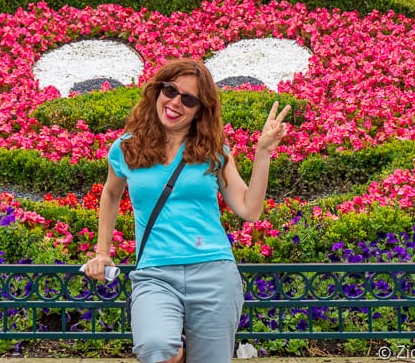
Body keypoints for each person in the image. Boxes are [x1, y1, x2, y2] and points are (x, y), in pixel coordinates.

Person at [84, 58, 291, 363]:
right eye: (170, 90)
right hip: (155, 273)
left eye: (189, 99)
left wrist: (263, 153)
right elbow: (111, 194)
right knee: (156, 346)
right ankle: (177, 353)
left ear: (200, 109)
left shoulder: (213, 150)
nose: (175, 102)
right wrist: (103, 251)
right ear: (157, 90)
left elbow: (249, 210)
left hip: (214, 272)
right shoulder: (126, 148)